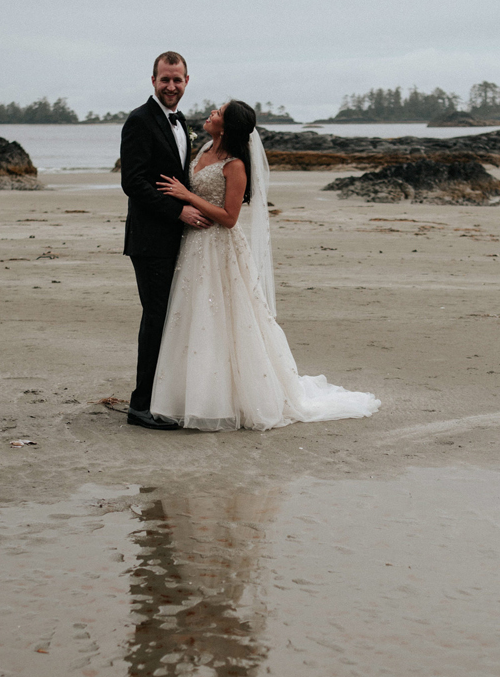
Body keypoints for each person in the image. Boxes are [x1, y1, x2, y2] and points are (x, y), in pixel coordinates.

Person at [148, 100, 381, 431]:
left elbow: (229, 218)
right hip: (194, 246)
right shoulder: (201, 151)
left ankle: (227, 400)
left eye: (217, 113)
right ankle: (188, 397)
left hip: (219, 247)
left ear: (226, 127)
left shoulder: (235, 165)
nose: (210, 114)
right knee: (194, 318)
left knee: (223, 318)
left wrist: (188, 196)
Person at [119, 51, 206, 430]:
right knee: (155, 318)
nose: (171, 86)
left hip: (178, 239)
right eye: (165, 80)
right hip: (150, 239)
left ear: (187, 81)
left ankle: (161, 396)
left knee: (170, 318)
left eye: (178, 80)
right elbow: (133, 182)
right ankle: (140, 407)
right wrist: (177, 212)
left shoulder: (182, 122)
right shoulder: (139, 121)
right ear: (152, 81)